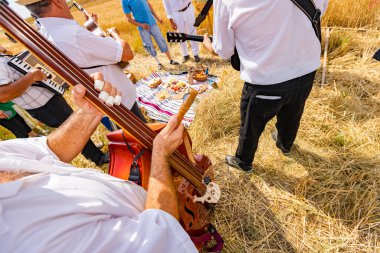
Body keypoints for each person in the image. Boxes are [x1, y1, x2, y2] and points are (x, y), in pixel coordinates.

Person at [0, 74, 197, 253]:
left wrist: (88, 113)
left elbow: (49, 150)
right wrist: (160, 156)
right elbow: (159, 238)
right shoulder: (19, 237)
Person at [203, 0, 329, 172]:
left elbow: (224, 50)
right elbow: (319, 10)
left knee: (251, 125)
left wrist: (210, 46)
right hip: (306, 68)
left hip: (266, 78)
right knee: (293, 111)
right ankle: (285, 144)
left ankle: (243, 161)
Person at [19, 0, 146, 122]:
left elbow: (81, 53)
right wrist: (115, 35)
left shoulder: (44, 34)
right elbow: (127, 53)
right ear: (57, 1)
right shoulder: (73, 34)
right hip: (119, 101)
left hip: (97, 104)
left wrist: (91, 29)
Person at [0, 47, 109, 166]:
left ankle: (89, 149)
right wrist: (31, 77)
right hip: (43, 106)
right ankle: (98, 158)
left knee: (73, 124)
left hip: (48, 98)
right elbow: (3, 94)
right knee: (73, 128)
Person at [121, 0, 180, 70]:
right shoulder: (125, 1)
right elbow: (129, 19)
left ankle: (171, 60)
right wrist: (141, 25)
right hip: (142, 28)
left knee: (161, 41)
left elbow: (149, 5)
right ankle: (159, 63)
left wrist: (157, 18)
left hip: (152, 23)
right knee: (149, 45)